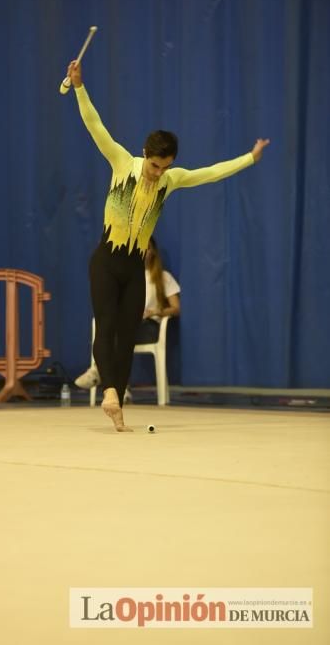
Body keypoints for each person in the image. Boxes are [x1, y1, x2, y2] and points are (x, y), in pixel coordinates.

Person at [67, 59, 269, 432]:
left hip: (133, 268)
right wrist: (79, 87)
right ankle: (110, 391)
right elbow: (94, 125)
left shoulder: (170, 181)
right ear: (146, 154)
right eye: (156, 165)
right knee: (106, 326)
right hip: (106, 261)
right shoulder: (122, 162)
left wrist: (249, 159)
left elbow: (209, 173)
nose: (159, 173)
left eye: (165, 167)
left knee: (126, 337)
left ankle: (118, 403)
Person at [75, 236, 180, 397]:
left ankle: (102, 373)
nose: (143, 252)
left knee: (121, 332)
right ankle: (116, 386)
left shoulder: (163, 277)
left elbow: (175, 308)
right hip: (125, 322)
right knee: (110, 326)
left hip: (148, 325)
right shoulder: (124, 275)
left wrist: (157, 312)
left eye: (147, 248)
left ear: (153, 252)